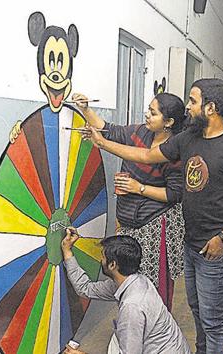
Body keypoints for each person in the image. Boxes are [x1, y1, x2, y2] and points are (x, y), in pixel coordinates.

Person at [82, 78, 223, 354]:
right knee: (197, 309)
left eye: (193, 101)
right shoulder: (188, 138)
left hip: (215, 248)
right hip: (191, 243)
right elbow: (147, 155)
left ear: (210, 108)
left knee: (213, 320)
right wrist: (103, 144)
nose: (188, 107)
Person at [72, 92, 186, 310]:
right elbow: (109, 130)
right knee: (128, 281)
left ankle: (152, 328)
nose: (147, 115)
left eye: (153, 113)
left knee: (151, 284)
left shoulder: (174, 149)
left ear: (169, 122)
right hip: (128, 221)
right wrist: (85, 109)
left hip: (154, 224)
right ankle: (131, 322)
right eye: (148, 110)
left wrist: (139, 188)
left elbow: (174, 195)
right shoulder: (140, 132)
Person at [61, 229, 191, 354]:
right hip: (172, 347)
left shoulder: (131, 307)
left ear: (113, 265)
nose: (101, 260)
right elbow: (85, 289)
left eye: (103, 257)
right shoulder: (136, 280)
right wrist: (67, 251)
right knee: (117, 339)